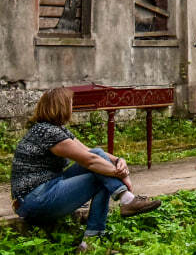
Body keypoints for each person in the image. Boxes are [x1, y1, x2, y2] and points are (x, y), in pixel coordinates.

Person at [10, 88, 160, 249]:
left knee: (98, 160)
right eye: (70, 103)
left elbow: (90, 152)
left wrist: (119, 160)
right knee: (99, 176)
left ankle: (122, 203)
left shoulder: (55, 129)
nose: (72, 107)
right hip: (33, 201)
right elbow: (90, 161)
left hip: (45, 190)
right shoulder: (47, 132)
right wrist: (120, 174)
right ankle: (121, 206)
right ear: (62, 106)